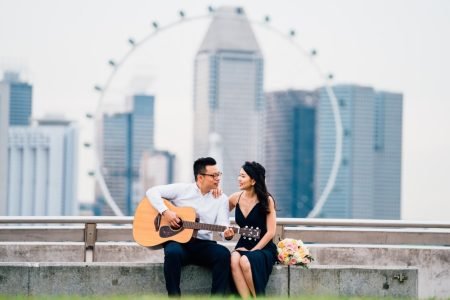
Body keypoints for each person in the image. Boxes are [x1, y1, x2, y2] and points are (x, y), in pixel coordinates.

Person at [146, 157, 234, 297]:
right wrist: (166, 212)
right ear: (200, 177)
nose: (218, 178)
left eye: (219, 174)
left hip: (203, 245)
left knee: (223, 254)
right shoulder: (182, 190)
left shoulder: (221, 198)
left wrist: (227, 234)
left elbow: (223, 225)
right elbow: (152, 192)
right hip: (179, 243)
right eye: (213, 175)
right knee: (172, 253)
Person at [227, 161, 277, 298]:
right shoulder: (234, 198)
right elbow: (218, 215)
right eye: (239, 175)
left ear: (253, 180)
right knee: (233, 259)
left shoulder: (267, 200)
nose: (239, 179)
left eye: (243, 176)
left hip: (263, 247)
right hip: (243, 244)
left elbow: (271, 232)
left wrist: (253, 251)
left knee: (245, 260)